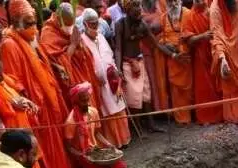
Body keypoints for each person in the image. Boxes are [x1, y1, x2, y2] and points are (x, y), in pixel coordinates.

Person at [0, 0, 74, 168]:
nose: (34, 27)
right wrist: (31, 98)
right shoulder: (9, 44)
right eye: (28, 23)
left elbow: (40, 59)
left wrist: (56, 68)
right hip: (36, 102)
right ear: (16, 21)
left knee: (55, 138)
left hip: (48, 96)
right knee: (45, 142)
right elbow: (12, 79)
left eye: (34, 21)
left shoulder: (30, 36)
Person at [79, 8, 132, 148]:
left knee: (118, 107)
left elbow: (109, 56)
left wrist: (115, 70)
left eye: (96, 23)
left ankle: (124, 140)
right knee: (107, 112)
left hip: (112, 80)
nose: (95, 27)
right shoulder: (82, 42)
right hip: (97, 84)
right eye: (91, 24)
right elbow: (84, 65)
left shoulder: (101, 37)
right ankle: (113, 143)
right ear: (85, 24)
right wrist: (95, 78)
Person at [114, 0, 168, 132]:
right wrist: (118, 68)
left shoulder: (142, 24)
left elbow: (156, 44)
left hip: (140, 62)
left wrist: (173, 55)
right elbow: (118, 49)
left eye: (139, 7)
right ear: (127, 10)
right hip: (127, 64)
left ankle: (151, 125)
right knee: (134, 97)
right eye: (135, 8)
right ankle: (138, 128)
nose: (139, 11)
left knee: (146, 94)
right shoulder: (120, 25)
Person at [41, 3, 102, 110]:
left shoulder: (73, 28)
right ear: (58, 19)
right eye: (67, 25)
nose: (69, 28)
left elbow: (85, 55)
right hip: (66, 85)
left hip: (82, 79)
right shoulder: (48, 33)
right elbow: (54, 65)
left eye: (71, 24)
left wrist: (79, 46)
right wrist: (73, 45)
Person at [64, 82, 127, 168]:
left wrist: (109, 144)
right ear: (76, 101)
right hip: (84, 155)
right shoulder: (71, 121)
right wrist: (82, 155)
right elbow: (69, 147)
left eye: (88, 99)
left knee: (121, 167)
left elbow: (97, 133)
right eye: (83, 101)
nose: (87, 103)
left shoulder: (93, 111)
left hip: (96, 150)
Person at [183, 0, 223, 124]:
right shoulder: (189, 15)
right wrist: (202, 36)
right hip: (200, 57)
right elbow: (188, 40)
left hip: (215, 52)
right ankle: (205, 118)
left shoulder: (213, 10)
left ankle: (220, 115)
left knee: (218, 86)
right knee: (203, 88)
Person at [210, 0, 238, 122]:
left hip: (237, 48)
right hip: (225, 50)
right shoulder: (215, 8)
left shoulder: (234, 3)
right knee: (227, 80)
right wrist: (222, 57)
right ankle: (230, 117)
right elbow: (216, 34)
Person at [160, 0, 194, 124]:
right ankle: (181, 118)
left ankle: (192, 115)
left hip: (187, 58)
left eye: (175, 0)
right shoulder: (163, 18)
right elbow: (161, 41)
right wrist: (171, 50)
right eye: (170, 1)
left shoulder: (189, 13)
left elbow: (194, 34)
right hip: (173, 59)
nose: (173, 4)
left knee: (189, 88)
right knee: (175, 90)